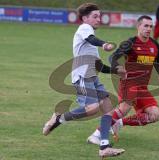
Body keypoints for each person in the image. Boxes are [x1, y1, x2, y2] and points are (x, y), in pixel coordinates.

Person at [42, 3, 125, 158]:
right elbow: (93, 39)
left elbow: (98, 66)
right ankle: (60, 118)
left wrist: (115, 71)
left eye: (99, 16)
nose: (98, 19)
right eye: (95, 16)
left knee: (107, 106)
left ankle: (104, 147)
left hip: (93, 78)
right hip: (82, 77)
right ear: (85, 18)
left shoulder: (89, 40)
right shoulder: (84, 28)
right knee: (92, 108)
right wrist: (104, 44)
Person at [87, 15, 159, 145]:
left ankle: (119, 123)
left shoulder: (154, 45)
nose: (148, 29)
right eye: (145, 26)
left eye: (150, 26)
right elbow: (113, 57)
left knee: (154, 115)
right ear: (138, 26)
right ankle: (96, 135)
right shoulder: (130, 43)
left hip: (142, 88)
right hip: (128, 83)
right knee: (124, 108)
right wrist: (117, 67)